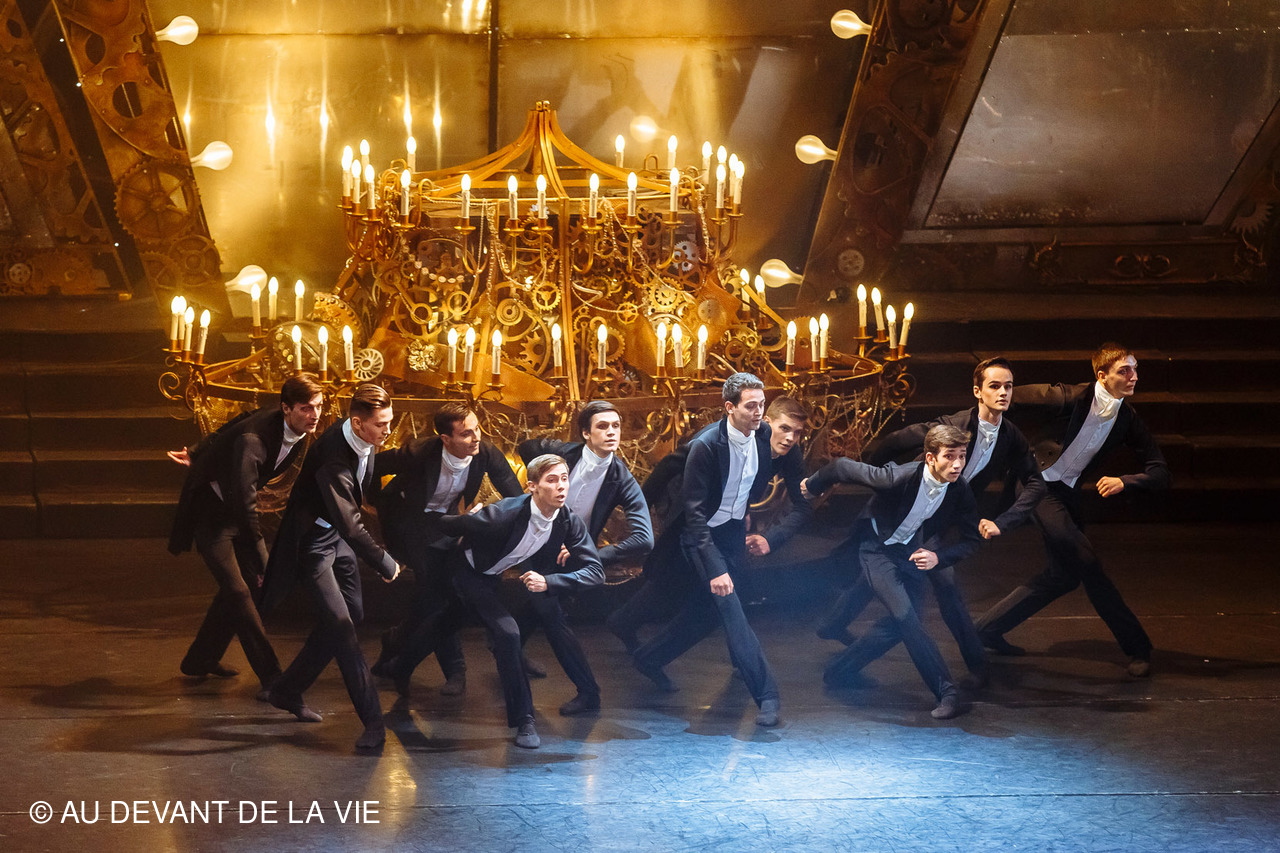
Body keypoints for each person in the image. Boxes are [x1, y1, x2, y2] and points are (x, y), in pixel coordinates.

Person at [813, 357, 1045, 687]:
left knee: (893, 575)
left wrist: (1003, 521)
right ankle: (977, 665)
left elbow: (1035, 481)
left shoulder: (1010, 435)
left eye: (1008, 386)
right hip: (913, 511)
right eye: (995, 386)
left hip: (943, 517)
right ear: (978, 391)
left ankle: (833, 624)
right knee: (938, 584)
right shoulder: (951, 424)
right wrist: (884, 482)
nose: (1003, 392)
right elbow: (895, 441)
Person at [974, 343, 1171, 677]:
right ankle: (1138, 647)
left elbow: (1160, 471)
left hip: (1065, 493)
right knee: (1087, 561)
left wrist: (1126, 481)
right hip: (1036, 485)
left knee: (1064, 576)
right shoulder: (1069, 397)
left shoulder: (1127, 418)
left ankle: (985, 630)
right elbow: (1007, 397)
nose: (1134, 376)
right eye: (1124, 370)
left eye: (1135, 369)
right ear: (1102, 375)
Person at [630, 373, 789, 728]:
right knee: (732, 609)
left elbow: (752, 482)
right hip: (700, 538)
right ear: (730, 408)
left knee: (712, 610)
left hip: (732, 532)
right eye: (751, 406)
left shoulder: (763, 434)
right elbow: (695, 516)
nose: (759, 412)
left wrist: (742, 511)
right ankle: (767, 696)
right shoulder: (706, 446)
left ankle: (648, 658)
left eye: (762, 405)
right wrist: (716, 568)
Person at [801, 424, 982, 719]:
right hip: (876, 550)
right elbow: (843, 466)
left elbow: (972, 539)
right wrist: (812, 484)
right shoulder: (897, 477)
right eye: (950, 456)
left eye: (962, 456)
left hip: (908, 552)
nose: (957, 464)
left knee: (900, 625)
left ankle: (839, 670)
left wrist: (938, 557)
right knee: (907, 617)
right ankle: (947, 691)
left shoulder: (959, 488)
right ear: (930, 458)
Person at [607, 395, 811, 654]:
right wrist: (639, 511)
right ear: (766, 422)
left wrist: (769, 537)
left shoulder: (789, 453)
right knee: (684, 579)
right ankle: (639, 639)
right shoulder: (723, 439)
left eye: (797, 433)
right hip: (688, 504)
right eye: (784, 428)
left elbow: (802, 504)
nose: (791, 438)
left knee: (709, 586)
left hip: (725, 517)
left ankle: (628, 627)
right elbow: (670, 465)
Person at [260, 383, 402, 751]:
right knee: (342, 628)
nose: (388, 430)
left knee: (351, 615)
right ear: (357, 424)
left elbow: (352, 514)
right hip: (313, 545)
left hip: (337, 538)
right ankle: (374, 723)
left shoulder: (362, 436)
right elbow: (351, 524)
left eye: (389, 421)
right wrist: (385, 562)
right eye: (381, 424)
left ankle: (286, 690)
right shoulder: (333, 458)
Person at [167, 373, 324, 694]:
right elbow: (244, 503)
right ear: (286, 408)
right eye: (307, 408)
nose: (315, 414)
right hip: (211, 513)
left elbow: (236, 422)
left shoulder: (294, 429)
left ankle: (199, 660)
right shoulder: (254, 441)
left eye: (319, 406)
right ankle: (273, 677)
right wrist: (262, 559)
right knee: (240, 592)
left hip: (234, 509)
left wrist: (196, 450)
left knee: (241, 589)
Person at [434, 454, 605, 748]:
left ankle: (399, 661)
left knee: (442, 626)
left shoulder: (567, 519)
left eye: (565, 479)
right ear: (532, 486)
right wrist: (465, 519)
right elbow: (448, 525)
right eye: (552, 480)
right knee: (507, 633)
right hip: (467, 572)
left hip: (503, 576)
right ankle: (525, 719)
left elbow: (596, 572)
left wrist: (549, 582)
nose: (561, 486)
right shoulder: (504, 513)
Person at [371, 402, 523, 697]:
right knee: (439, 592)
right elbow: (374, 466)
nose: (476, 437)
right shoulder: (419, 452)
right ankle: (455, 670)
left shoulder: (485, 452)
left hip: (447, 522)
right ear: (446, 439)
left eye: (477, 429)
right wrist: (375, 500)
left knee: (436, 596)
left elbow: (515, 495)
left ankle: (396, 641)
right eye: (466, 434)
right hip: (409, 523)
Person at [515, 400, 654, 714]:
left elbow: (644, 539)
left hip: (570, 553)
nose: (611, 432)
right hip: (533, 538)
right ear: (586, 434)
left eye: (616, 426)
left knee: (546, 608)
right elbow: (526, 448)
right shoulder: (561, 453)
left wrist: (589, 553)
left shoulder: (620, 476)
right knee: (550, 613)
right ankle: (588, 691)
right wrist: (531, 496)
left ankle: (507, 648)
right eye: (602, 426)